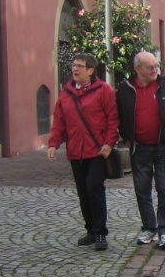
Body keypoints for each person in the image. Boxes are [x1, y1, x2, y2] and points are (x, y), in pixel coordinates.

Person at [47, 54, 120, 251]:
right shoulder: (67, 93)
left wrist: (109, 143)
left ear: (90, 70)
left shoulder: (104, 90)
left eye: (80, 66)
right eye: (74, 65)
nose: (75, 69)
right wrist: (53, 144)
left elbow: (112, 118)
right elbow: (59, 120)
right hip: (75, 151)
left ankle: (100, 232)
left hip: (97, 151)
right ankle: (90, 230)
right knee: (83, 191)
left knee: (94, 187)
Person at [116, 52, 165, 249]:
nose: (155, 70)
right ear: (137, 69)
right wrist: (126, 137)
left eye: (156, 65)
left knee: (164, 188)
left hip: (164, 147)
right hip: (139, 148)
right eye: (149, 67)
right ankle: (149, 228)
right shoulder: (126, 89)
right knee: (142, 190)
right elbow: (118, 115)